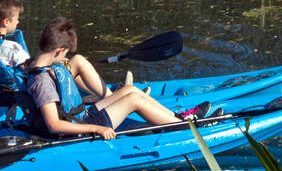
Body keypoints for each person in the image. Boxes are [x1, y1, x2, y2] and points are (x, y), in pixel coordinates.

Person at [22, 17, 210, 140]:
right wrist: (97, 129)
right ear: (58, 51)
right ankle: (184, 128)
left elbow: (66, 75)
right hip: (83, 126)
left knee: (130, 90)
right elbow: (53, 124)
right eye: (64, 54)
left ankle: (179, 119)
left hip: (81, 116)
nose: (65, 59)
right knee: (134, 99)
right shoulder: (42, 82)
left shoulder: (33, 64)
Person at [0, 0, 31, 68]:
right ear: (6, 22)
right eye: (17, 19)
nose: (18, 22)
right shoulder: (13, 48)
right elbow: (30, 69)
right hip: (9, 80)